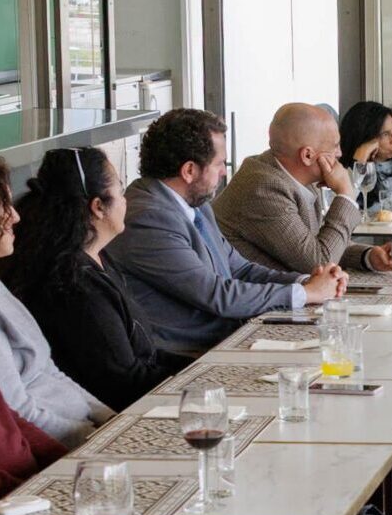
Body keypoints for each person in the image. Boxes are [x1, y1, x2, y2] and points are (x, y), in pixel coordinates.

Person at [106, 108, 343, 364]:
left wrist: (308, 280)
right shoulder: (148, 218)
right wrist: (306, 294)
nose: (223, 173)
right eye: (219, 164)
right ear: (189, 171)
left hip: (226, 339)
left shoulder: (196, 205)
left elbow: (241, 269)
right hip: (185, 358)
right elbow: (217, 294)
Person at [2, 147, 175, 411]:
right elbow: (125, 383)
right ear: (98, 207)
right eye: (120, 190)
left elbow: (143, 355)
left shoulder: (97, 257)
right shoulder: (74, 285)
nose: (125, 200)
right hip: (121, 411)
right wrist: (200, 385)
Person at [0, 160, 112, 446]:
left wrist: (112, 419)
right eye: (4, 206)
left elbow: (49, 369)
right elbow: (18, 412)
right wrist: (97, 438)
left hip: (85, 431)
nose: (15, 217)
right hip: (57, 450)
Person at [212, 103, 392, 275]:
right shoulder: (264, 188)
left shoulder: (295, 177)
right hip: (253, 295)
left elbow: (320, 243)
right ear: (307, 155)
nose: (340, 153)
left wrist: (369, 257)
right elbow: (319, 263)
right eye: (335, 146)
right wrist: (346, 194)